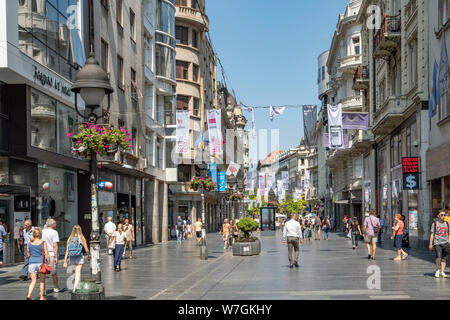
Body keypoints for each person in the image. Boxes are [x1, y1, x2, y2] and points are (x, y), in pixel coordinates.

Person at [63, 225, 90, 292]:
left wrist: (65, 261)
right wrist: (89, 256)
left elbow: (67, 250)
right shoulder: (81, 238)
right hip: (79, 257)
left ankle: (76, 285)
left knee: (76, 273)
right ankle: (75, 288)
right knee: (78, 273)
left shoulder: (69, 238)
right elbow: (86, 249)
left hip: (72, 257)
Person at [26, 228, 50, 300]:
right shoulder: (43, 243)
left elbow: (28, 254)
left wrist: (31, 259)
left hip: (32, 263)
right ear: (40, 234)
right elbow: (46, 254)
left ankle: (29, 295)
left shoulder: (29, 243)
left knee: (33, 281)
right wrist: (48, 262)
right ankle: (41, 297)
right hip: (41, 263)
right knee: (42, 281)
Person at [429, 210, 450, 278]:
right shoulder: (434, 224)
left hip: (445, 243)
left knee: (444, 258)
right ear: (438, 215)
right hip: (437, 243)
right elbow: (432, 234)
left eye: (444, 215)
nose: (443, 216)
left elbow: (449, 234)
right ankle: (437, 270)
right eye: (441, 215)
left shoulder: (447, 224)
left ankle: (442, 271)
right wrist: (430, 243)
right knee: (438, 256)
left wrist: (449, 242)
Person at [42, 219, 60, 293]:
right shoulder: (54, 232)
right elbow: (55, 245)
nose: (55, 225)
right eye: (55, 223)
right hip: (51, 253)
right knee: (53, 272)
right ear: (52, 224)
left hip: (43, 254)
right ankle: (55, 287)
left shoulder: (42, 231)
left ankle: (43, 289)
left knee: (43, 272)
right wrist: (56, 256)